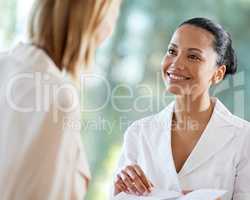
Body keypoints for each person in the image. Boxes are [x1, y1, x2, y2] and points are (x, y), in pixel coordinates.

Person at [112, 17, 250, 200]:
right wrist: (118, 190)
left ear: (218, 74)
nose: (176, 63)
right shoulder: (138, 133)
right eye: (172, 51)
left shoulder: (243, 139)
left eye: (193, 56)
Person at [0, 0, 121, 199]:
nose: (113, 23)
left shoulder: (6, 64)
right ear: (91, 18)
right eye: (114, 10)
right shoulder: (57, 97)